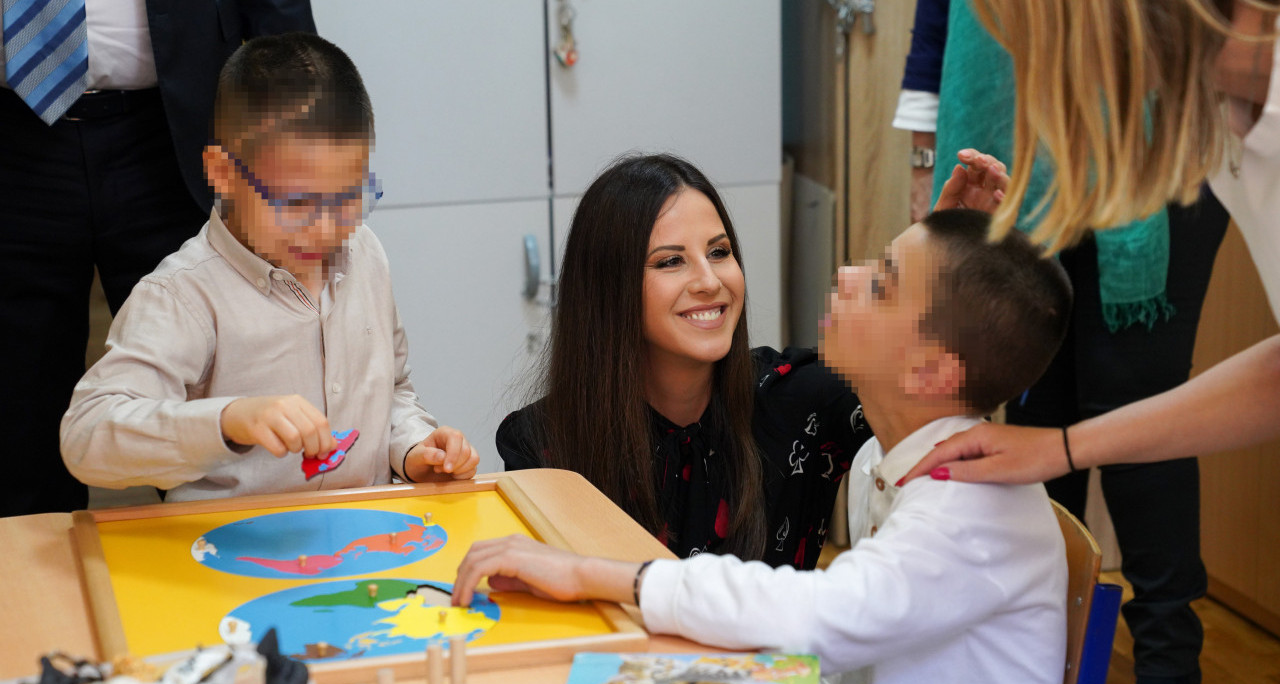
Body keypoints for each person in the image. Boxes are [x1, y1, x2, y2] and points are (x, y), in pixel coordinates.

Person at [455, 209, 1074, 684]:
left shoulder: (970, 504)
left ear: (931, 369)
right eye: (671, 260)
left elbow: (822, 615)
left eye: (881, 283)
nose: (849, 275)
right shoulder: (882, 464)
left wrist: (595, 573)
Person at [894, 3, 1231, 684]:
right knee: (1034, 389)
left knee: (1134, 398)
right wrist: (926, 160)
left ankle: (1169, 658)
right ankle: (1033, 639)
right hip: (1016, 129)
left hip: (1157, 135)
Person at [496, 152, 1007, 569]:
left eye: (719, 252)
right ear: (608, 290)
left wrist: (949, 268)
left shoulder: (798, 398)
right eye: (671, 261)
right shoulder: (542, 439)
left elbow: (943, 403)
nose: (709, 280)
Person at [58, 32, 478, 501]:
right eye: (296, 203)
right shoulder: (183, 296)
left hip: (361, 540)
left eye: (348, 199)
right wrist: (228, 420)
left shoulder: (365, 253)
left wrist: (414, 447)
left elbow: (394, 389)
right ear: (222, 172)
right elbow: (86, 436)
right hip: (231, 549)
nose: (324, 229)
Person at [0, 0, 316, 516]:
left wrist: (306, 119)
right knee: (17, 391)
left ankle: (218, 571)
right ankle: (31, 580)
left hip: (170, 131)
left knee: (205, 373)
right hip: (14, 137)